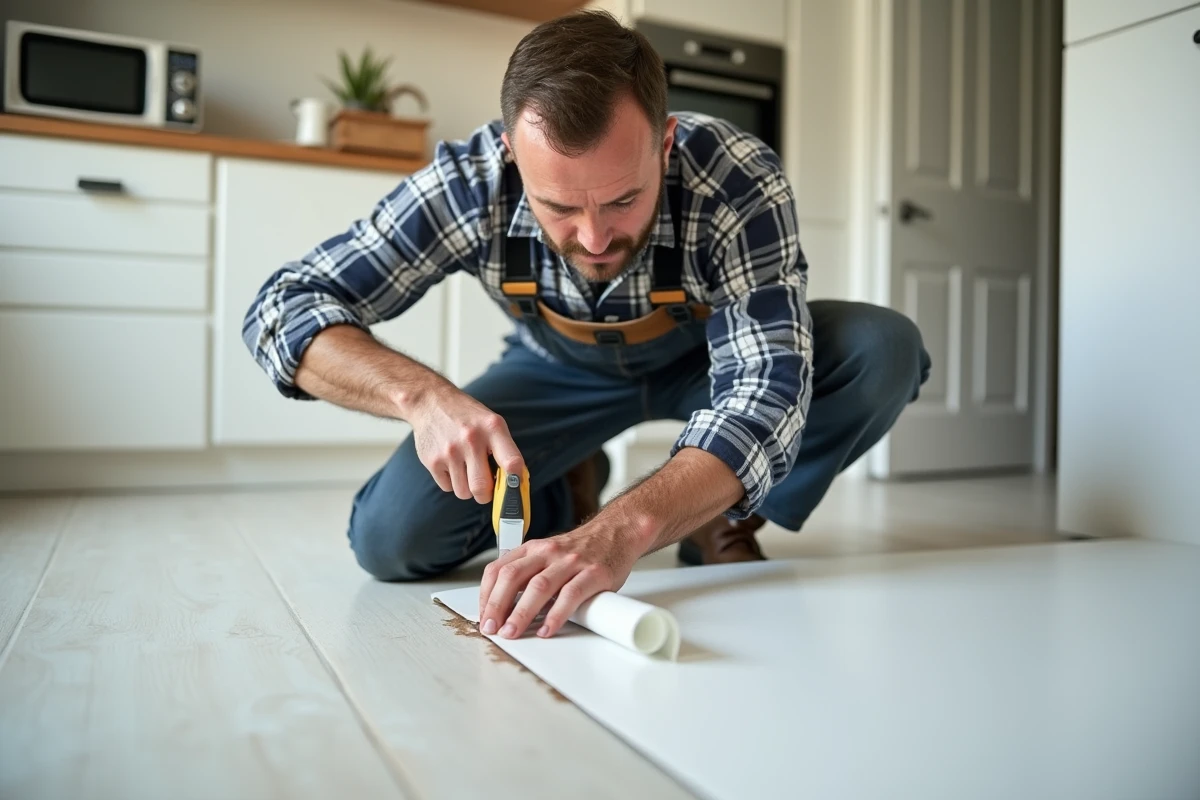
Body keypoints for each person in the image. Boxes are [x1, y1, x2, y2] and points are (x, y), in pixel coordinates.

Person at [243, 11, 930, 642]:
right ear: (514, 152)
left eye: (624, 199)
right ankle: (566, 488)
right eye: (560, 207)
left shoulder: (734, 176)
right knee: (391, 541)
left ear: (663, 143)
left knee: (882, 350)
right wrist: (420, 397)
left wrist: (625, 532)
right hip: (555, 372)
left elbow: (763, 390)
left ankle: (720, 517)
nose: (595, 237)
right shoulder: (469, 182)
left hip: (708, 367)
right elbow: (284, 307)